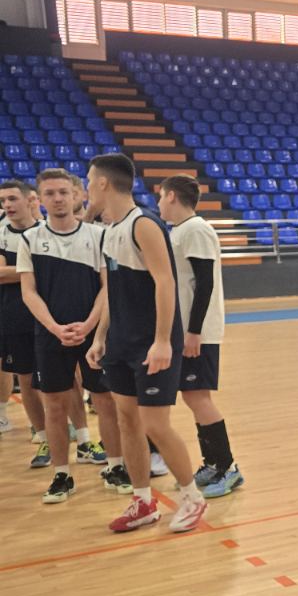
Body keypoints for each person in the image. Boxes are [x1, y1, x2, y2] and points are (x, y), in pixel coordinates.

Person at [84, 153, 208, 534]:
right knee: (127, 420)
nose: (87, 188)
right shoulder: (111, 230)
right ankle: (143, 501)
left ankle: (192, 497)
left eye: (89, 181)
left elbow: (165, 282)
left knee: (155, 424)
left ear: (103, 183)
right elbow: (113, 290)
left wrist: (162, 341)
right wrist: (100, 336)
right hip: (121, 341)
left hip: (151, 343)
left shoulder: (144, 224)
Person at [16, 168, 124, 504]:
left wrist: (89, 326)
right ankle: (62, 475)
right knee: (54, 405)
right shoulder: (30, 240)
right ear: (40, 199)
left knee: (105, 401)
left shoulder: (98, 236)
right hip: (51, 336)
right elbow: (29, 292)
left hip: (94, 335)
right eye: (50, 193)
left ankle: (116, 466)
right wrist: (55, 328)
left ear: (76, 195)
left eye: (64, 192)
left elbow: (108, 287)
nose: (58, 199)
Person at [157, 175, 243, 497]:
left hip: (198, 332)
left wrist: (194, 331)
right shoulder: (180, 231)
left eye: (161, 197)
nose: (158, 203)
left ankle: (228, 468)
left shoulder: (196, 229)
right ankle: (213, 463)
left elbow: (204, 283)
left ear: (171, 196)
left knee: (199, 398)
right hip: (186, 330)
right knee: (193, 397)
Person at [0, 177, 48, 463]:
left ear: (29, 200)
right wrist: (35, 270)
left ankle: (79, 436)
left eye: (12, 199)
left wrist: (15, 272)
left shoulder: (46, 231)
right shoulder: (1, 232)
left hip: (50, 316)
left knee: (67, 381)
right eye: (3, 201)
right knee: (27, 380)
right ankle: (43, 438)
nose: (7, 205)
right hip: (14, 316)